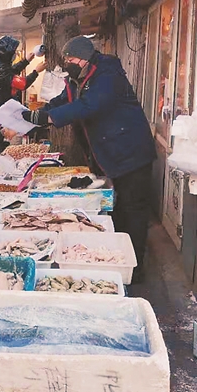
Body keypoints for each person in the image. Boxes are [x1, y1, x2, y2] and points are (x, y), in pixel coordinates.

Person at [21, 35, 157, 281]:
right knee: (118, 209)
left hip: (130, 151)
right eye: (67, 60)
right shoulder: (77, 78)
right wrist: (39, 113)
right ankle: (118, 256)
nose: (68, 64)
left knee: (133, 210)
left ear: (84, 58)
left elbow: (89, 106)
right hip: (111, 152)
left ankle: (135, 269)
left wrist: (50, 118)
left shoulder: (107, 75)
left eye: (71, 59)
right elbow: (64, 100)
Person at [0, 35, 46, 166]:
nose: (14, 54)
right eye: (13, 52)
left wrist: (26, 61)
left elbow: (10, 72)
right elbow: (22, 84)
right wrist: (36, 71)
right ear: (7, 53)